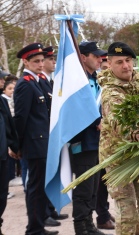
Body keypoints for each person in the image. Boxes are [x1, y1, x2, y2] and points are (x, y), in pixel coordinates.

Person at [98, 42, 139, 235]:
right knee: (127, 212)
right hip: (118, 159)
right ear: (110, 63)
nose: (126, 66)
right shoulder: (109, 91)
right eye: (120, 62)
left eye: (129, 61)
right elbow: (119, 122)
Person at [13, 43, 59, 235]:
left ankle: (38, 225)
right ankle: (34, 228)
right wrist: (17, 146)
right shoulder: (25, 83)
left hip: (42, 142)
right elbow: (21, 118)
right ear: (26, 62)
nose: (41, 64)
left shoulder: (37, 81)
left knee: (40, 187)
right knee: (35, 188)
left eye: (42, 60)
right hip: (34, 143)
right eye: (36, 61)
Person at [69, 41, 106, 235]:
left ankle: (89, 224)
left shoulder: (94, 78)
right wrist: (96, 121)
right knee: (83, 187)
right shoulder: (77, 81)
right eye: (96, 56)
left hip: (96, 141)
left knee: (93, 186)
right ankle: (81, 227)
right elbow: (77, 108)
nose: (100, 59)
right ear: (83, 57)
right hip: (82, 141)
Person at [37, 47, 69, 226]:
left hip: (48, 137)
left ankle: (49, 210)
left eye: (47, 60)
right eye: (49, 60)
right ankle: (43, 215)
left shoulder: (47, 81)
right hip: (38, 140)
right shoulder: (35, 82)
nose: (51, 63)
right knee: (39, 180)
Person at [95, 52, 115, 231]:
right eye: (103, 68)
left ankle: (104, 212)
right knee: (98, 181)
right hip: (97, 136)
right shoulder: (95, 82)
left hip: (110, 138)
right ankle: (101, 214)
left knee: (105, 180)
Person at [0, 72, 19, 235]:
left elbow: (8, 127)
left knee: (2, 195)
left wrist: (15, 147)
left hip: (2, 156)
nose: (1, 82)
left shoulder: (2, 101)